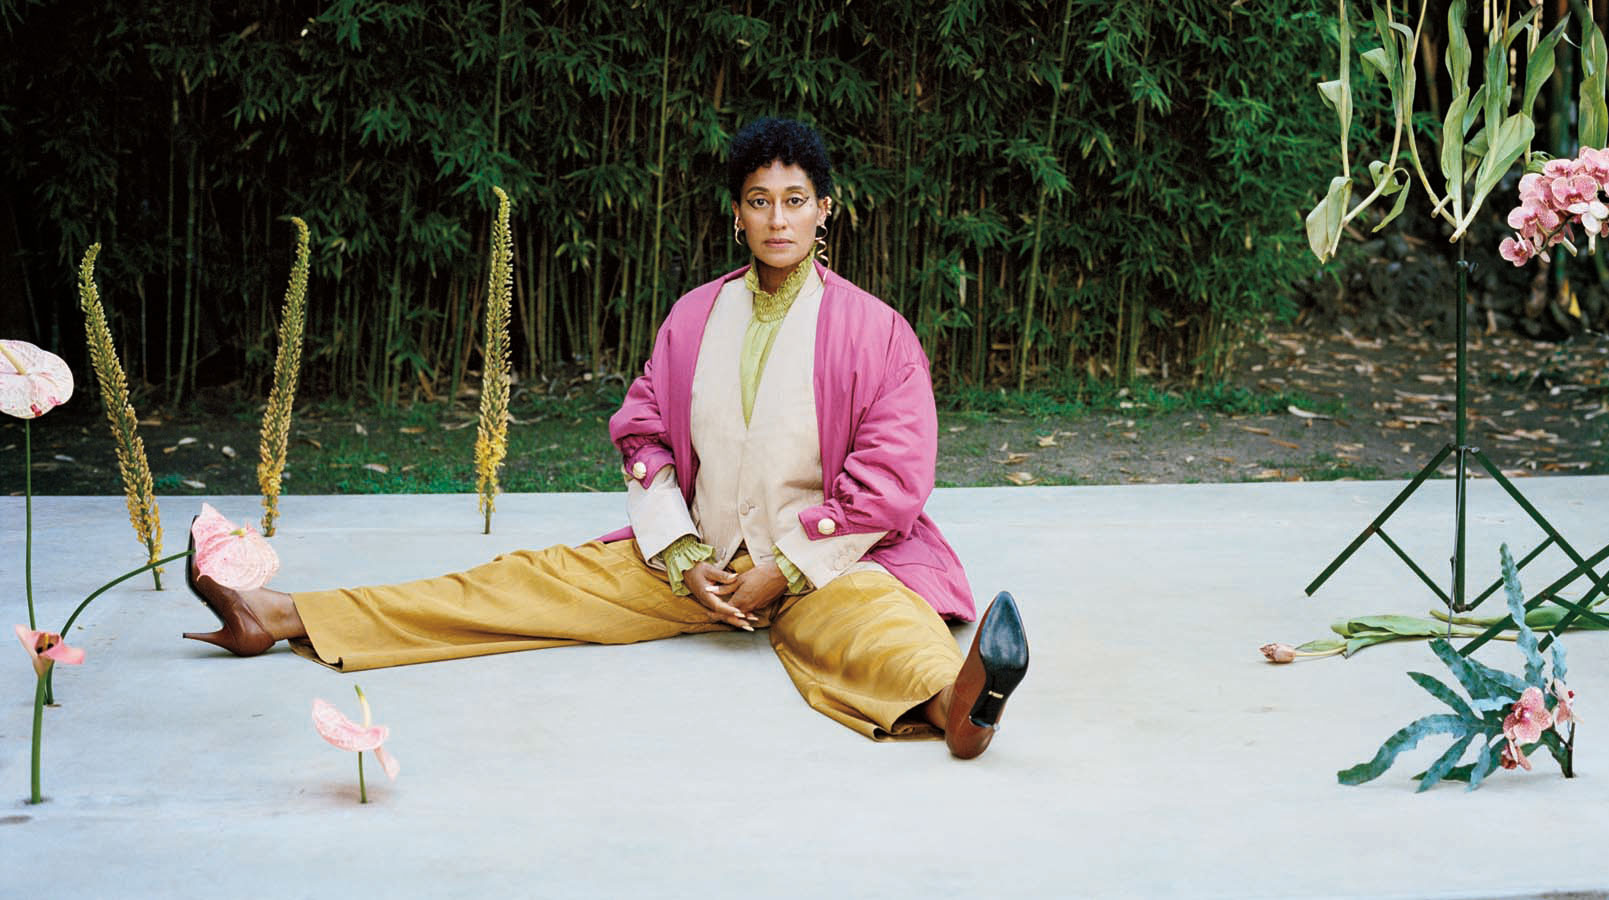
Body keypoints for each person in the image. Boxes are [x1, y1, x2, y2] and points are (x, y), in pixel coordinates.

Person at [181, 116, 1029, 758]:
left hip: (830, 565)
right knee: (521, 584)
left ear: (824, 213)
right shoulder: (695, 316)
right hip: (694, 562)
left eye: (795, 201)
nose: (778, 219)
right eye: (759, 201)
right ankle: (282, 615)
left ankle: (957, 708)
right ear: (737, 214)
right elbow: (644, 436)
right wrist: (685, 556)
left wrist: (784, 570)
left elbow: (891, 482)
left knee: (882, 626)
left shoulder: (876, 332)